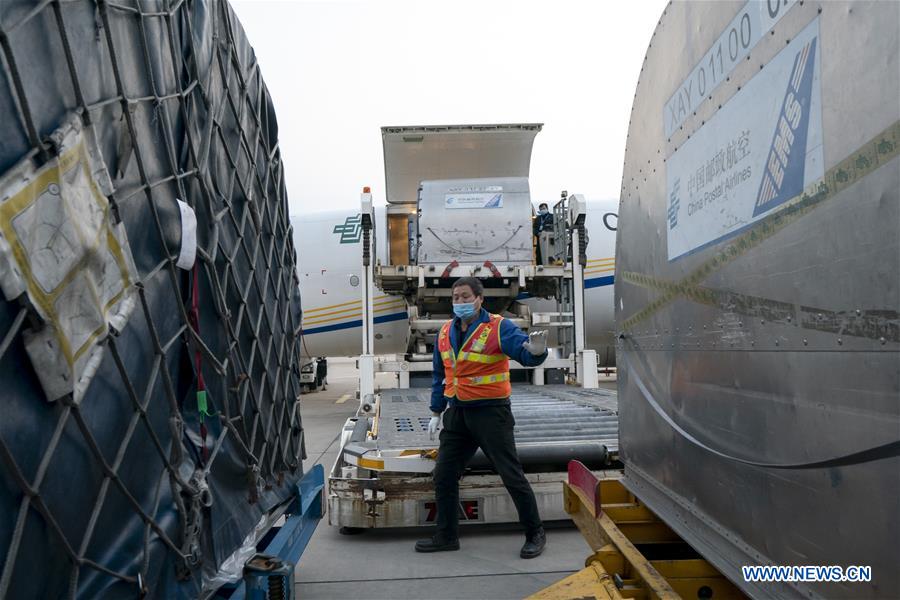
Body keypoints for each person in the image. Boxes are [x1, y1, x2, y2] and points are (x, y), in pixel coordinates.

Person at [415, 276, 549, 558]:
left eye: (465, 296)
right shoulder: (444, 332)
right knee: (444, 476)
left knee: (511, 475)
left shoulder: (498, 327)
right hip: (457, 415)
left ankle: (535, 532)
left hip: (491, 414)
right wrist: (436, 411)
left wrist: (538, 353)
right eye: (455, 297)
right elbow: (441, 375)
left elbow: (525, 353)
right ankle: (447, 535)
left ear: (479, 299)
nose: (460, 302)